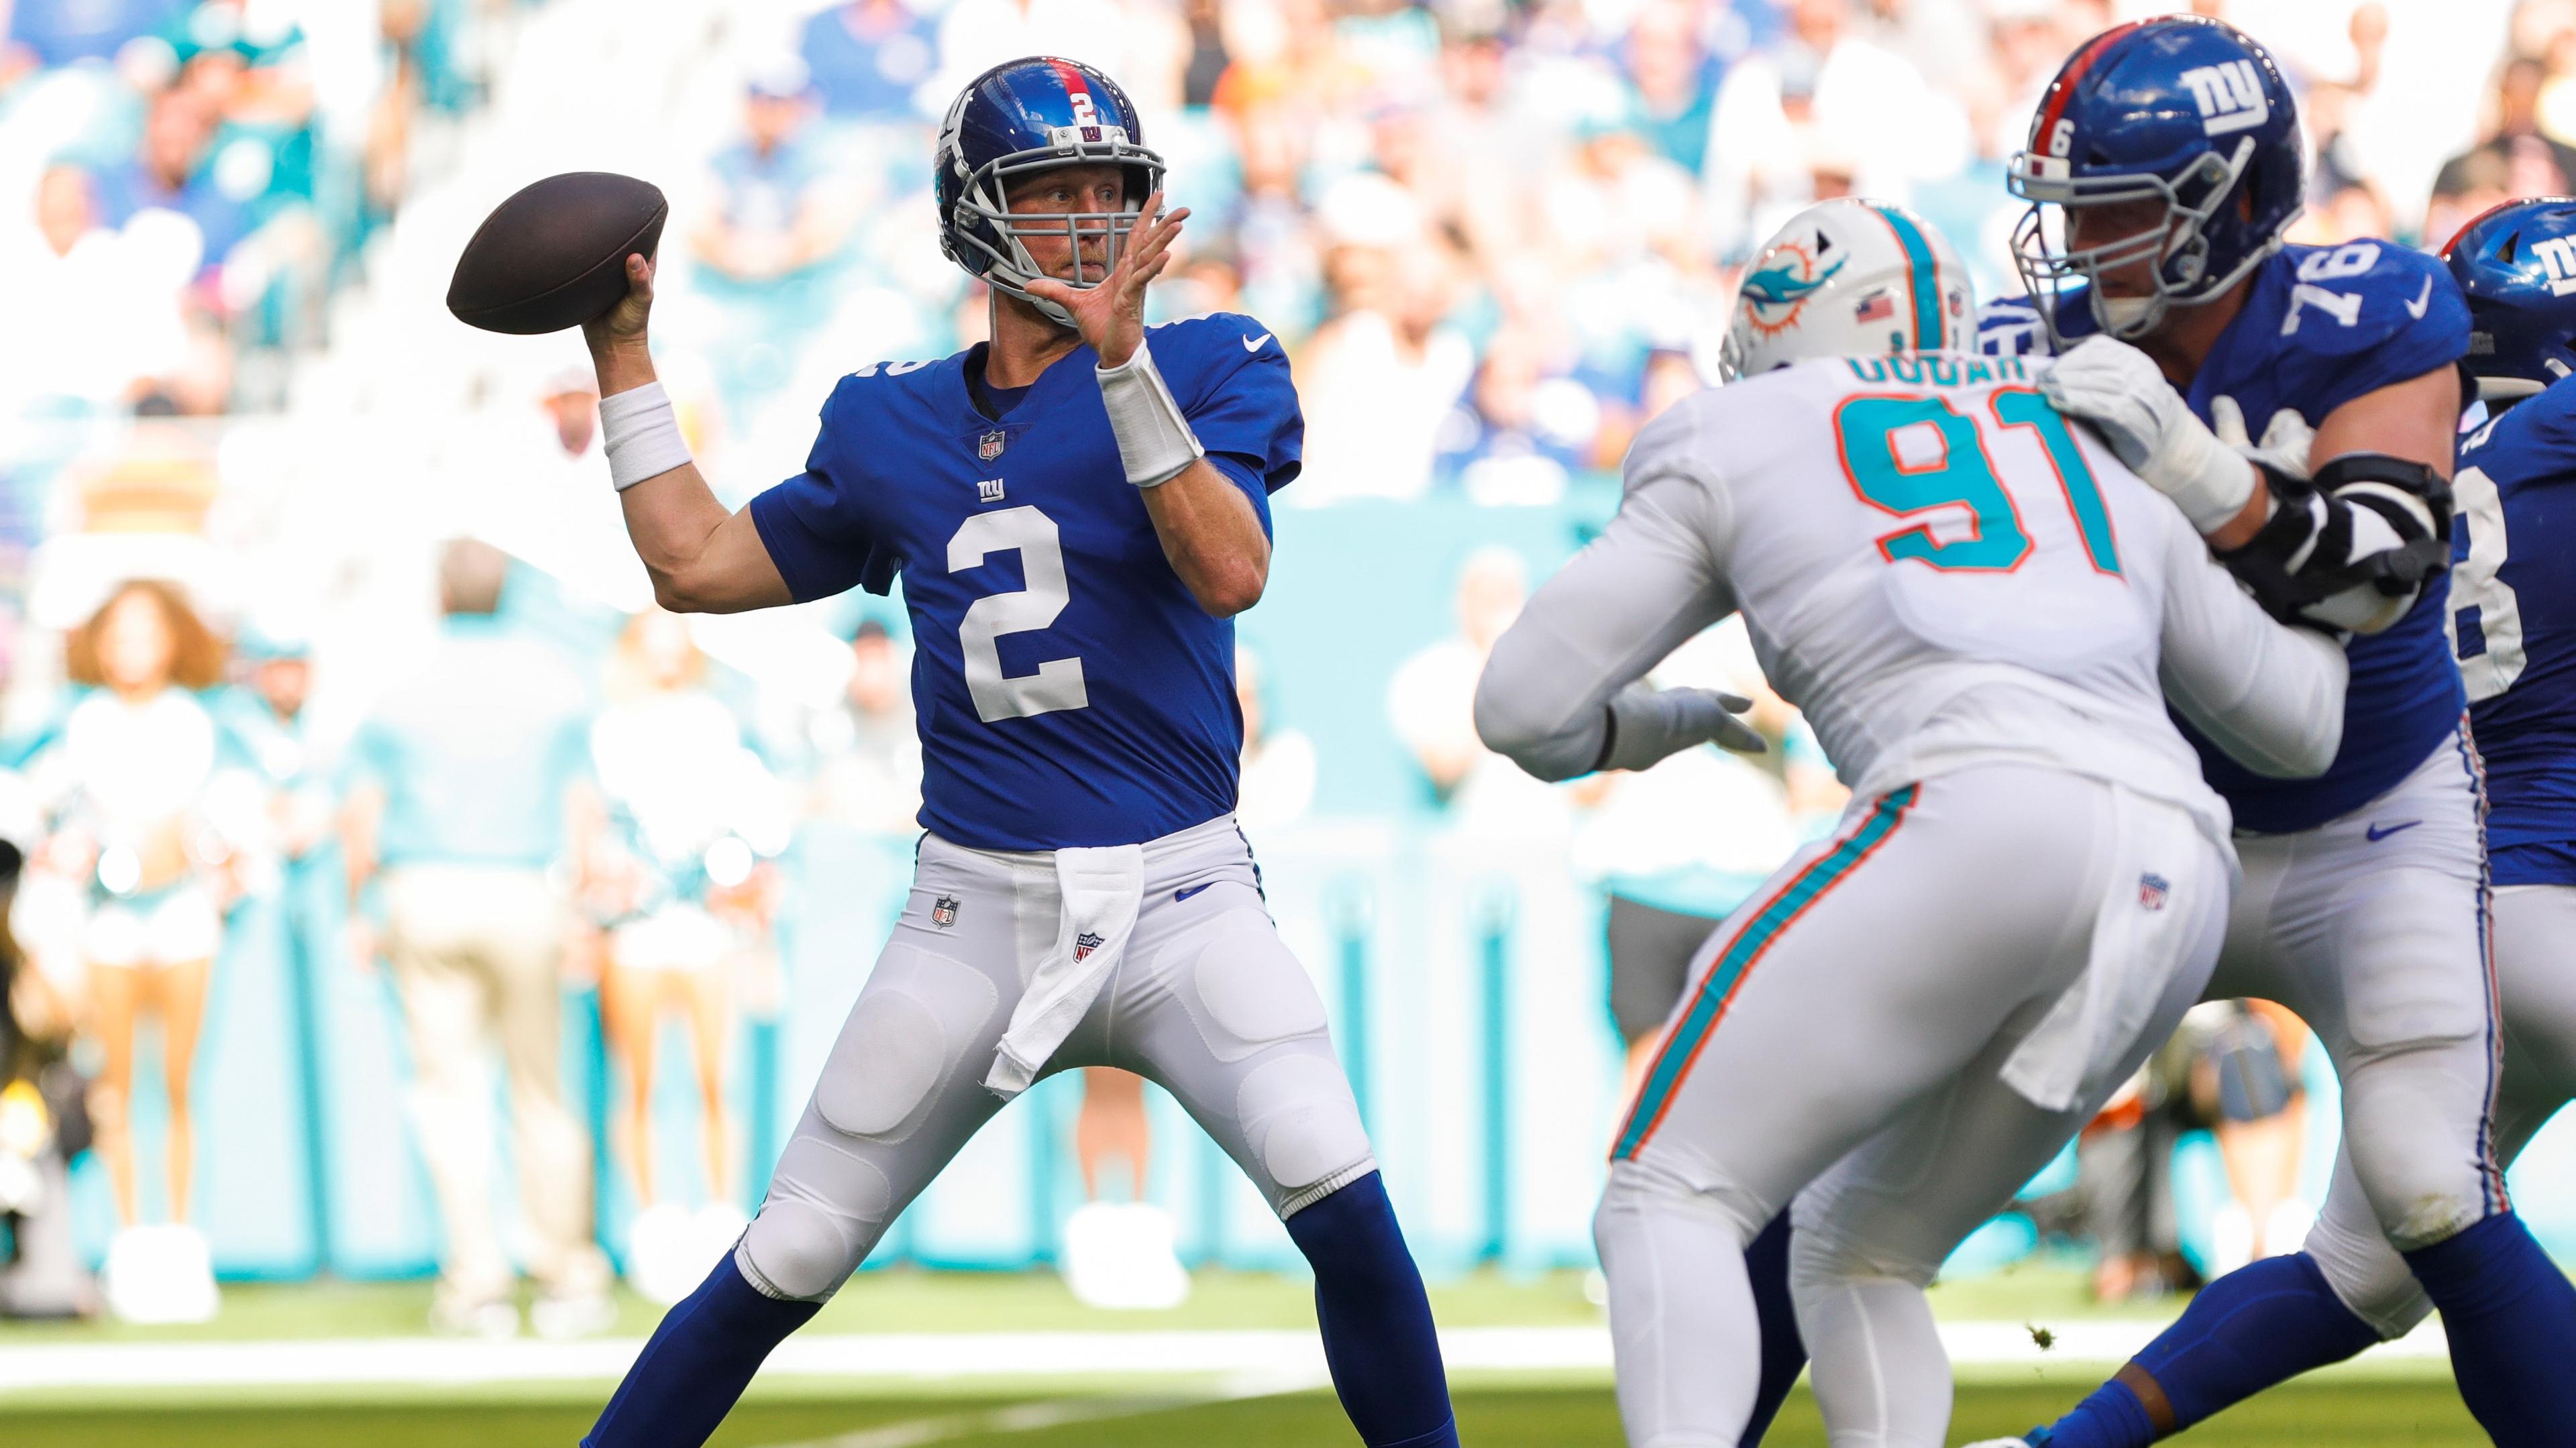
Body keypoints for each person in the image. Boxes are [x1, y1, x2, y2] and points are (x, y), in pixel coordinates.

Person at [573, 57, 1458, 1448]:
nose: (1092, 221)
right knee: (788, 1254)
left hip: (1182, 895)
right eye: (1053, 193)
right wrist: (623, 352)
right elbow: (693, 562)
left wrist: (1120, 366)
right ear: (977, 216)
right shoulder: (888, 419)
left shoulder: (1208, 358)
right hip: (973, 903)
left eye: (1111, 189)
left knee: (1340, 1199)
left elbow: (1230, 569)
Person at [1470, 194, 2354, 1448]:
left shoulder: (1740, 426)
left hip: (1971, 811)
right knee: (1859, 1248)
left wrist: (1658, 723)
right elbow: (2303, 723)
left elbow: (1520, 706)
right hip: (2175, 860)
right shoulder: (2090, 442)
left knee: (1666, 1187)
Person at [1970, 19, 2576, 1447]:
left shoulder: (2397, 439)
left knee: (2371, 1265)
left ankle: (2064, 1447)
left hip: (2475, 904)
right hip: (2532, 885)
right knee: (2433, 1223)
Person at [341, 539, 614, 1340]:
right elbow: (583, 811)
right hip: (524, 888)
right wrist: (583, 909)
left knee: (447, 1095)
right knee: (543, 1093)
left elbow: (361, 810)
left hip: (423, 888)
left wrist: (359, 907)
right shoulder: (555, 685)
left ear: (439, 592)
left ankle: (477, 1283)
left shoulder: (399, 688)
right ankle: (566, 1276)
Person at [24, 581, 248, 1323]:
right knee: (115, 1086)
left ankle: (180, 1243)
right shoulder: (81, 724)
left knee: (179, 1084)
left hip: (182, 915)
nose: (132, 645)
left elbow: (232, 820)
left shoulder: (200, 722)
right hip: (112, 921)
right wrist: (64, 848)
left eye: (146, 630)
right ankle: (128, 1243)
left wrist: (215, 859)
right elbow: (40, 808)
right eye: (119, 631)